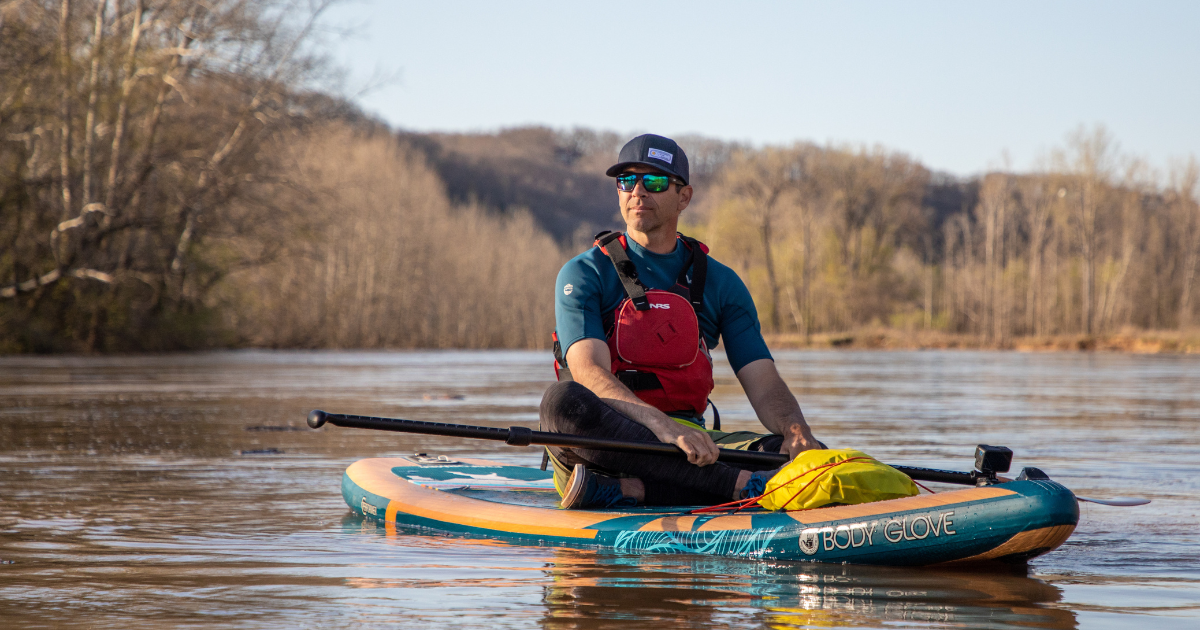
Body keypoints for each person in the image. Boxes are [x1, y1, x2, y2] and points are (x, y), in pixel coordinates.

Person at [542, 133, 823, 509]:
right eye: (627, 181)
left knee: (794, 454)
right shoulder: (583, 273)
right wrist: (662, 426)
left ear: (684, 197)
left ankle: (632, 491)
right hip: (604, 444)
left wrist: (796, 430)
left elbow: (763, 380)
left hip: (691, 447)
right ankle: (740, 487)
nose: (638, 191)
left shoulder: (722, 283)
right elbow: (589, 373)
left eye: (655, 181)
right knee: (562, 402)